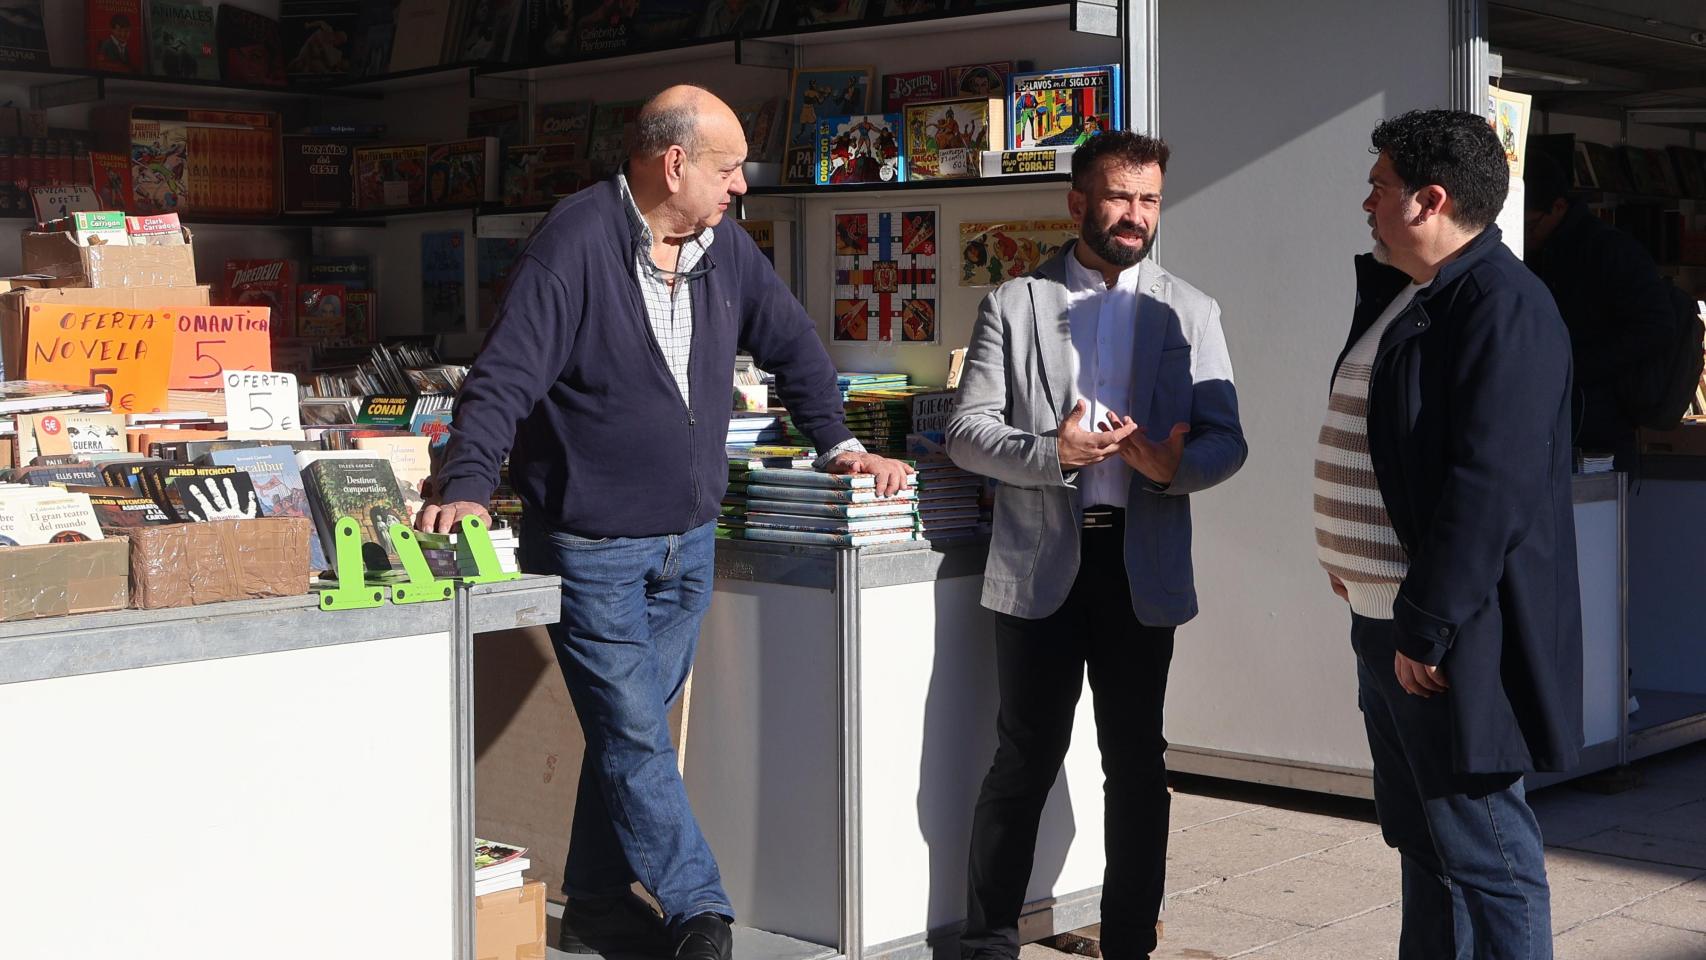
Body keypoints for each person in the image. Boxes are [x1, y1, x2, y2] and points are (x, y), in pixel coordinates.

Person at [420, 85, 913, 960]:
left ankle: (604, 905)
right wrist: (464, 480)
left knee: (627, 730)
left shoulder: (723, 248)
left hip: (688, 543)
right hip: (592, 547)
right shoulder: (572, 245)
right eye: (729, 169)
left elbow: (794, 343)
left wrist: (841, 446)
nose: (741, 189)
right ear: (674, 163)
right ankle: (700, 912)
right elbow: (502, 377)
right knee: (638, 734)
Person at [945, 130, 1247, 960]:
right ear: (1077, 201)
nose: (1135, 215)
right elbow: (967, 433)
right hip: (1042, 563)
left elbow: (1228, 441)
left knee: (1137, 764)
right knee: (1024, 757)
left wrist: (1169, 464)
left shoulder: (1191, 309)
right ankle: (989, 938)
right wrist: (1052, 453)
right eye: (1118, 196)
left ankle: (1128, 944)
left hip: (1137, 568)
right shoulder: (1015, 303)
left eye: (1149, 200)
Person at [1317, 109, 1582, 959]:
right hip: (1384, 620)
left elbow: (1489, 485)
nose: (1367, 202)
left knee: (1488, 856)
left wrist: (1427, 624)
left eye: (1381, 188)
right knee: (1424, 847)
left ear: (1430, 200)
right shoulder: (1415, 296)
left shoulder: (1506, 307)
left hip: (1442, 635)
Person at [1524, 152, 1676, 462]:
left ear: (1559, 206)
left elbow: (1657, 325)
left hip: (1599, 419)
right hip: (1572, 410)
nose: (1526, 236)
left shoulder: (1608, 250)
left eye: (1531, 225)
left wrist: (1579, 367)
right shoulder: (1557, 250)